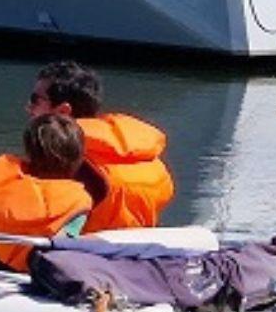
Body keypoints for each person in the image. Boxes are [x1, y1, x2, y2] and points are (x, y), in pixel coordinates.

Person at [26, 60, 174, 230]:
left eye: (35, 100)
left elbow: (31, 215)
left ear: (63, 111)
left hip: (85, 251)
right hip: (134, 248)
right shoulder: (144, 155)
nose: (28, 108)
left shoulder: (66, 160)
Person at [0, 113, 93, 272]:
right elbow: (60, 247)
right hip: (23, 268)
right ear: (78, 157)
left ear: (29, 152)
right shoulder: (78, 202)